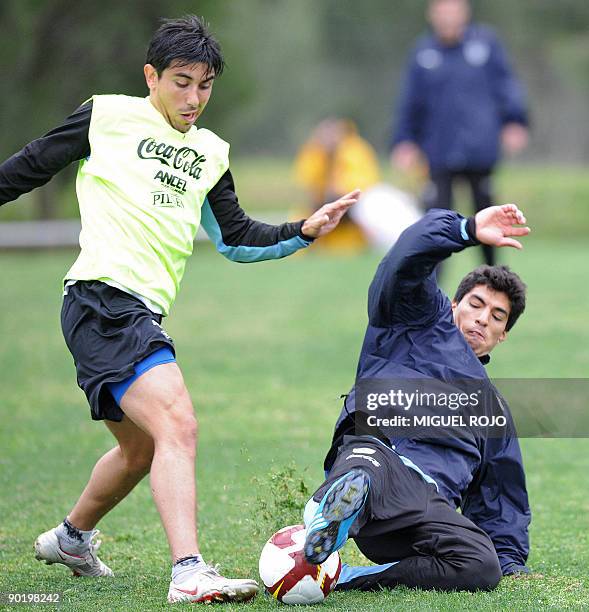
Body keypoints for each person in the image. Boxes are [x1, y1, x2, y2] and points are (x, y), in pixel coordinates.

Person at [0, 15, 359, 605]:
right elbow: (27, 168)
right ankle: (189, 572)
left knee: (142, 449)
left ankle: (71, 537)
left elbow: (237, 237)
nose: (194, 98)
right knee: (179, 425)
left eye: (205, 85)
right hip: (102, 298)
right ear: (152, 76)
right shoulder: (107, 116)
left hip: (137, 312)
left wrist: (305, 228)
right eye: (181, 82)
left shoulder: (212, 153)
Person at [303, 204, 532, 591]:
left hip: (421, 504)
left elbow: (501, 493)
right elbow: (404, 259)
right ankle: (334, 512)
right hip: (376, 456)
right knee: (366, 466)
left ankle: (350, 578)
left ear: (503, 334)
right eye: (476, 304)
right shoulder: (414, 317)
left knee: (481, 564)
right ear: (454, 304)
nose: (482, 319)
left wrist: (509, 559)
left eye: (497, 316)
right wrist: (466, 229)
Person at [391, 0, 529, 268]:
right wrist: (405, 140)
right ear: (431, 14)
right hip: (439, 151)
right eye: (442, 11)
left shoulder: (486, 44)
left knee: (488, 214)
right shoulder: (423, 53)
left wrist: (514, 120)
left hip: (480, 150)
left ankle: (493, 275)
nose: (448, 17)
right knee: (436, 220)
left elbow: (506, 86)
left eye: (453, 10)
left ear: (464, 12)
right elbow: (410, 102)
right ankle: (431, 285)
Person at [294, 118, 380, 252]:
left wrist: (338, 190)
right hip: (323, 206)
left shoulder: (355, 151)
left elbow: (362, 185)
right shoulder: (314, 152)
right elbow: (307, 184)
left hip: (351, 212)